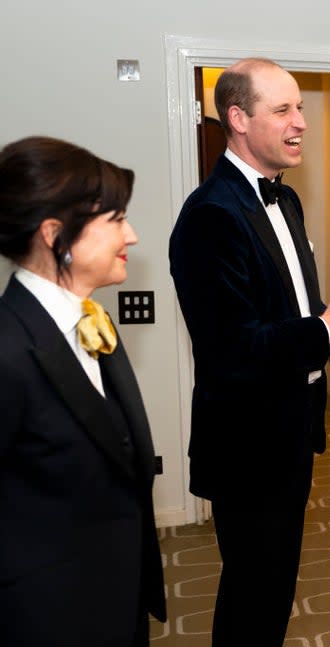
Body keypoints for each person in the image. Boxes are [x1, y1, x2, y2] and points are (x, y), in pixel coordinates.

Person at [169, 58, 330, 646]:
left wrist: (329, 319)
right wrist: (323, 329)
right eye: (284, 109)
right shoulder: (210, 216)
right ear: (238, 118)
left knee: (272, 592)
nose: (301, 123)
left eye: (302, 108)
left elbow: (282, 315)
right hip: (246, 442)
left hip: (291, 430)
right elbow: (232, 350)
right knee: (252, 598)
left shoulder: (286, 202)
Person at [0, 136, 166, 645]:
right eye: (116, 219)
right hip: (48, 617)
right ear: (56, 236)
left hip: (114, 598)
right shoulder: (8, 351)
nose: (132, 235)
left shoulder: (93, 323)